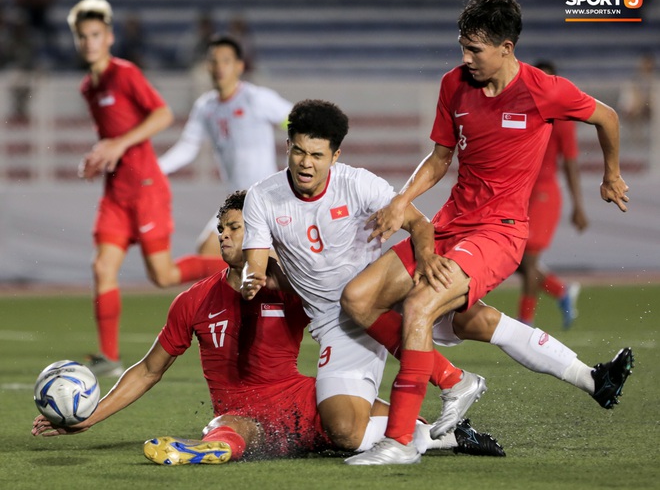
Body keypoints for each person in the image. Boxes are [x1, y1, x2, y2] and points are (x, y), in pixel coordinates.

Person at [341, 0, 632, 465]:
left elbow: (607, 117)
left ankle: (398, 444)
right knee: (358, 299)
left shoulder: (544, 90)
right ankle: (464, 381)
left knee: (419, 306)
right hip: (451, 224)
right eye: (463, 46)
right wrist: (403, 200)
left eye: (475, 49)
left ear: (506, 48)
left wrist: (612, 174)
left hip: (500, 232)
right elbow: (439, 158)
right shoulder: (453, 85)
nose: (466, 58)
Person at [31, 191, 505, 464]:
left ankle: (451, 434)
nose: (224, 236)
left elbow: (366, 321)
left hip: (309, 403)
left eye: (235, 228)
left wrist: (429, 337)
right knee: (226, 425)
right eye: (221, 229)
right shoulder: (192, 301)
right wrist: (89, 418)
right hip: (247, 416)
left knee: (399, 426)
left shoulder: (297, 287)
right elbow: (148, 369)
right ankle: (208, 450)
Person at [241, 99, 487, 462]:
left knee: (484, 321)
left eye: (317, 154)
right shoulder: (262, 196)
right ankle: (442, 436)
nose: (305, 163)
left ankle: (588, 377)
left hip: (382, 304)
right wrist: (251, 278)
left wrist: (426, 262)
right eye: (298, 151)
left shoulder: (359, 184)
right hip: (333, 324)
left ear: (335, 155)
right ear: (287, 146)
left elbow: (419, 224)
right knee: (342, 432)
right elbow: (255, 264)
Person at [67, 0, 227, 377]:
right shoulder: (89, 87)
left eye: (95, 34)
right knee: (102, 266)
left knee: (163, 275)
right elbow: (112, 133)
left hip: (145, 188)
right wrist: (99, 155)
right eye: (82, 36)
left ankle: (240, 263)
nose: (89, 42)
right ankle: (109, 357)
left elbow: (163, 114)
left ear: (108, 37)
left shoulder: (125, 74)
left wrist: (119, 144)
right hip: (116, 193)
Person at [159, 34, 292, 256]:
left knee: (270, 267)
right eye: (213, 61)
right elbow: (188, 147)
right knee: (209, 252)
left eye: (226, 61)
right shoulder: (206, 107)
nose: (219, 67)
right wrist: (156, 168)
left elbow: (293, 120)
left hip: (265, 199)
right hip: (236, 201)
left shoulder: (255, 98)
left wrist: (298, 140)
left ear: (239, 66)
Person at [516, 60, 588, 328]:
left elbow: (570, 163)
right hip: (520, 193)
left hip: (544, 195)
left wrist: (578, 206)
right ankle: (561, 291)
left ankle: (525, 323)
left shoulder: (562, 119)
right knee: (512, 258)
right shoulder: (521, 113)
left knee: (529, 259)